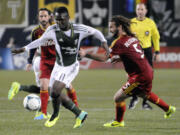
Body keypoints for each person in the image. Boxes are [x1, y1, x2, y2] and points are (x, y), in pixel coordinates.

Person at [11, 6, 109, 128]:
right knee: (53, 92)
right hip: (58, 65)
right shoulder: (52, 29)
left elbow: (96, 32)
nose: (59, 22)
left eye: (61, 19)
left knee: (56, 91)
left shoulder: (79, 29)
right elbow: (40, 41)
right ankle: (80, 114)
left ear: (68, 18)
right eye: (57, 20)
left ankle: (55, 115)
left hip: (71, 66)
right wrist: (24, 49)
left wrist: (104, 42)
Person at [79, 15, 176, 127]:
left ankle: (119, 121)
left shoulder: (118, 42)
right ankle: (168, 109)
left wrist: (86, 54)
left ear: (119, 27)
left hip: (140, 76)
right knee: (144, 94)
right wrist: (121, 58)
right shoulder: (132, 37)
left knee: (118, 98)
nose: (110, 30)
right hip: (147, 71)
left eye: (112, 27)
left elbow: (105, 58)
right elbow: (135, 54)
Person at [8, 8, 79, 120]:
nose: (43, 18)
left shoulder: (57, 29)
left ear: (50, 17)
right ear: (38, 17)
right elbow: (33, 46)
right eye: (41, 16)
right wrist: (29, 61)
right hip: (44, 61)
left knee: (68, 86)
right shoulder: (36, 32)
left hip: (58, 62)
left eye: (45, 16)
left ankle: (76, 110)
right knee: (44, 87)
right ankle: (43, 113)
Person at [128, 3, 161, 110]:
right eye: (138, 9)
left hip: (147, 51)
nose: (140, 11)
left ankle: (145, 102)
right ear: (136, 11)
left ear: (146, 11)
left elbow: (156, 37)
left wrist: (157, 51)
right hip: (134, 51)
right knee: (133, 76)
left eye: (142, 9)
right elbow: (125, 37)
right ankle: (134, 97)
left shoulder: (150, 23)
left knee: (149, 77)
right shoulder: (131, 22)